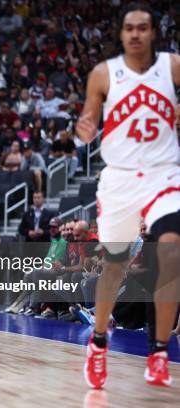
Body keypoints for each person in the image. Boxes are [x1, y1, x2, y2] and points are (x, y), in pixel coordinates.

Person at [76, 3, 180, 389]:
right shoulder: (104, 74)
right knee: (114, 265)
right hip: (119, 179)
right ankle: (99, 341)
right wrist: (86, 130)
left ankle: (158, 352)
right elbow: (88, 126)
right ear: (121, 34)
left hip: (164, 175)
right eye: (129, 28)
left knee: (171, 251)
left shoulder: (171, 67)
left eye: (143, 27)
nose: (136, 33)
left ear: (153, 32)